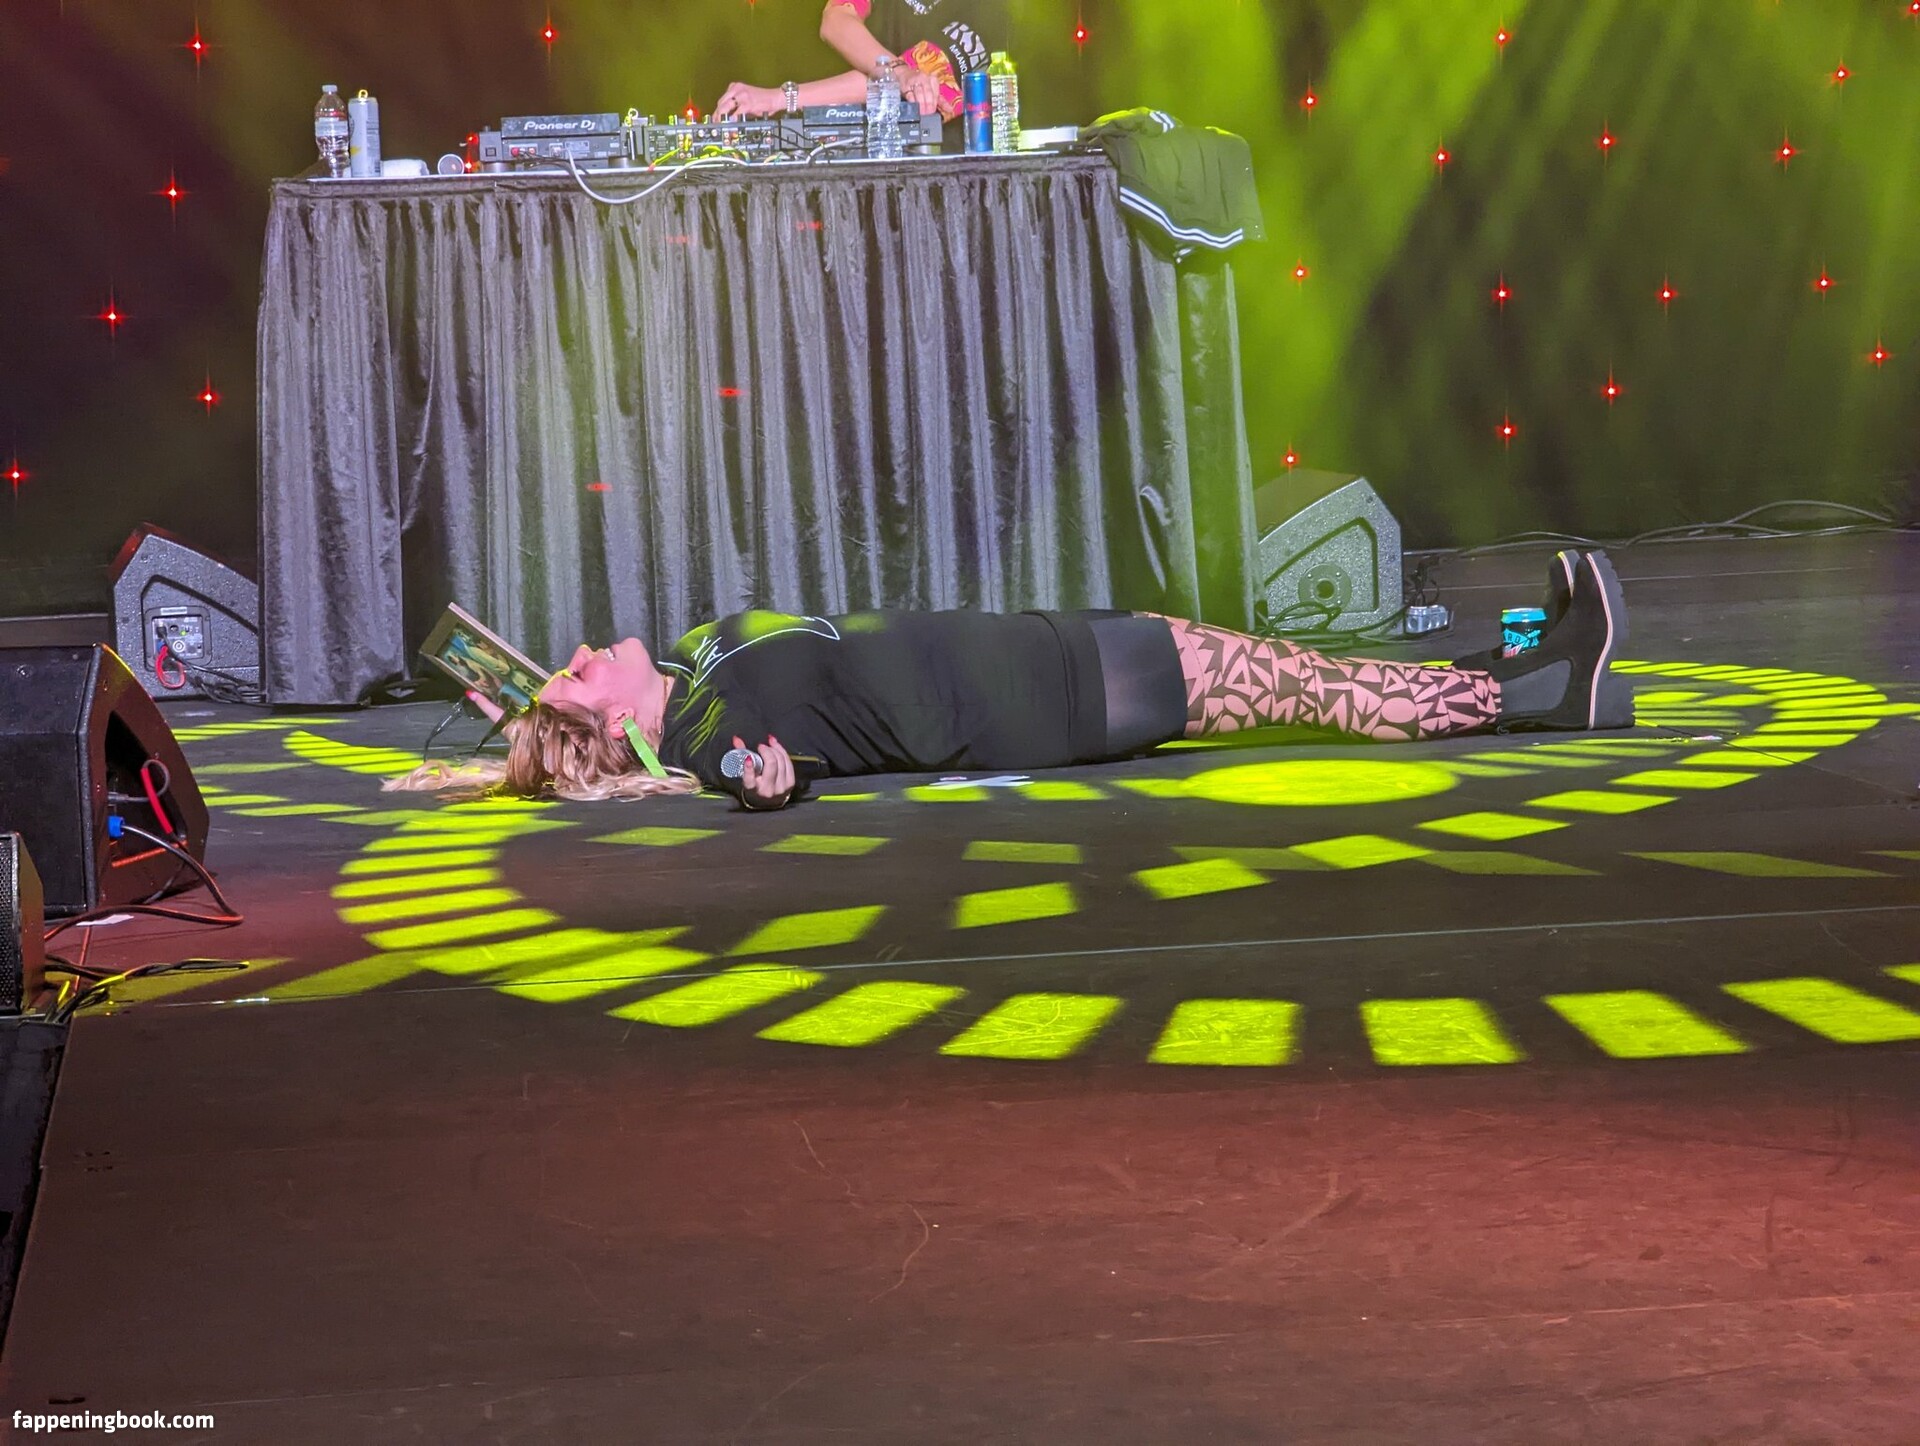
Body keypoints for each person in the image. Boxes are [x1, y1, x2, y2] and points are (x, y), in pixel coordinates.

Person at [388, 551, 1633, 810]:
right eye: (575, 674)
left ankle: (1514, 675)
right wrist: (758, 782)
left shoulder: (700, 658)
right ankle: (1542, 692)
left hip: (1037, 649)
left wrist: (522, 713)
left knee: (1304, 677)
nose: (582, 651)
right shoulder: (717, 720)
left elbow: (623, 720)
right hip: (1047, 695)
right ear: (609, 723)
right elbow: (747, 770)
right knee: (1314, 689)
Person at [713, 0, 1006, 125]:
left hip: (936, 188)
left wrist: (780, 98)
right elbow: (835, 19)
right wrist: (899, 72)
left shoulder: (992, 10)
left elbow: (919, 78)